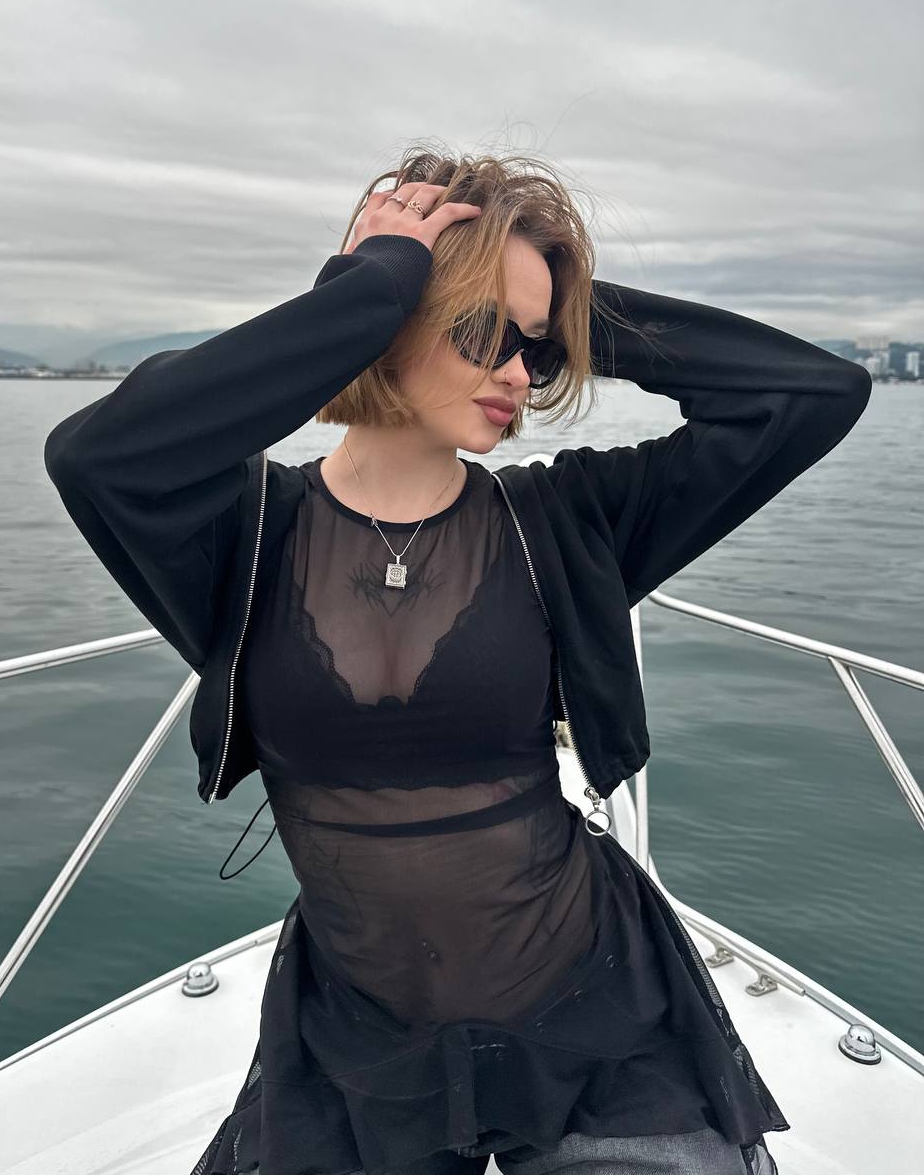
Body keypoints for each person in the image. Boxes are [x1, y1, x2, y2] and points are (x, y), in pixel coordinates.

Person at [43, 148, 872, 1175]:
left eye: (539, 354)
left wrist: (565, 313)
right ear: (389, 319)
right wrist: (370, 288)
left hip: (599, 1019)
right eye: (484, 334)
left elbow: (813, 393)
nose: (519, 374)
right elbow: (97, 457)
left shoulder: (569, 520)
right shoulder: (241, 537)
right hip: (356, 1047)